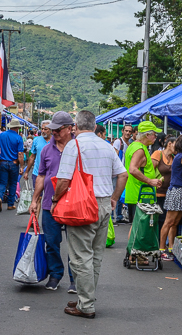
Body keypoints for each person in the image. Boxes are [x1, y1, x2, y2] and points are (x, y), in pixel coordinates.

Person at [53, 110, 127, 318]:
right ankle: (87, 298)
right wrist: (114, 198)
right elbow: (123, 174)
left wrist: (55, 199)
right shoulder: (107, 146)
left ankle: (85, 305)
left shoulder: (74, 146)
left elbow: (64, 180)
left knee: (80, 257)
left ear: (75, 127)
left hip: (83, 205)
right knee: (95, 256)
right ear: (95, 127)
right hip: (104, 205)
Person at [31, 112, 76, 292]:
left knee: (74, 244)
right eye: (53, 129)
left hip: (73, 204)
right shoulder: (46, 149)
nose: (54, 132)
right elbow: (42, 176)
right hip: (50, 204)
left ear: (69, 128)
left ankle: (75, 278)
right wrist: (35, 200)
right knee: (51, 242)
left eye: (58, 129)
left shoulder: (78, 147)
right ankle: (55, 274)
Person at [123, 122, 163, 222]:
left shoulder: (134, 146)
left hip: (139, 194)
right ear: (147, 135)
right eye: (154, 134)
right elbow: (133, 169)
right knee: (140, 230)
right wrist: (150, 181)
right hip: (141, 195)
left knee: (136, 229)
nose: (156, 137)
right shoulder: (139, 149)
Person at [0, 121, 24, 211]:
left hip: (3, 162)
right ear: (17, 128)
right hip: (14, 163)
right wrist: (21, 166)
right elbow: (20, 153)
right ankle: (10, 204)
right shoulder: (18, 138)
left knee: (3, 182)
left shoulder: (2, 135)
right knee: (13, 183)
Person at [112, 124, 134, 223]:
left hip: (124, 173)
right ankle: (112, 217)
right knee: (114, 193)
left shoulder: (129, 143)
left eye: (130, 131)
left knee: (120, 193)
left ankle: (119, 216)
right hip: (118, 173)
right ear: (122, 131)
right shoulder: (118, 142)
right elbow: (114, 156)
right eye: (126, 131)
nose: (128, 133)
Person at [24, 122, 51, 187]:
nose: (43, 131)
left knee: (50, 196)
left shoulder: (55, 141)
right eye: (42, 129)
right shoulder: (36, 140)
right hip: (37, 173)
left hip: (50, 174)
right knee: (38, 196)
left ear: (51, 129)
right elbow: (32, 157)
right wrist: (27, 171)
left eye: (45, 129)